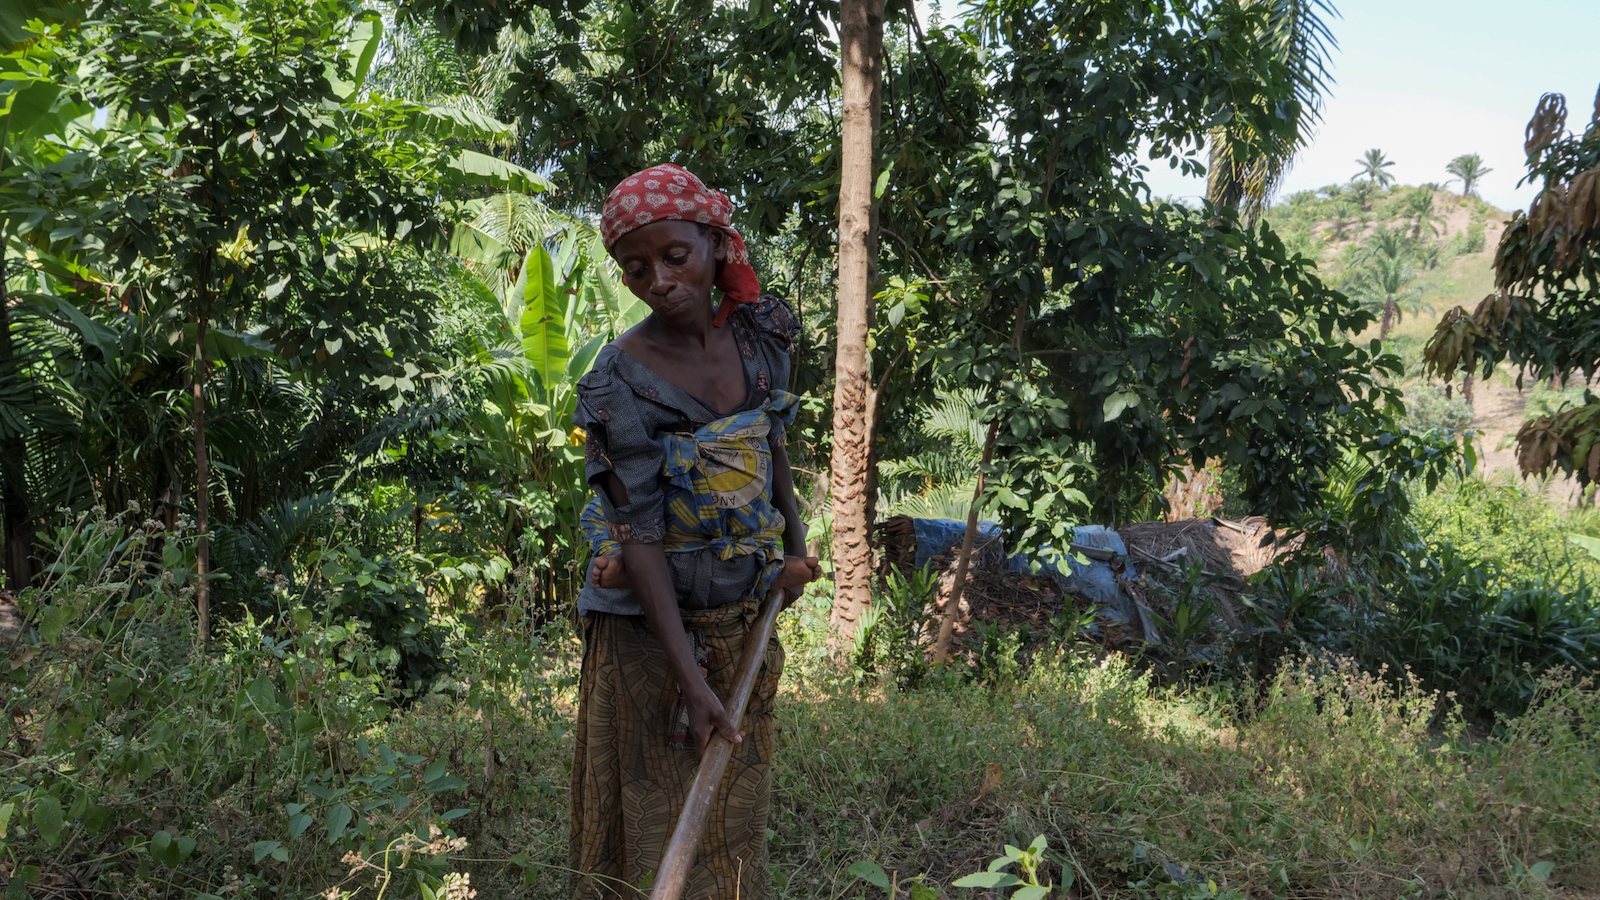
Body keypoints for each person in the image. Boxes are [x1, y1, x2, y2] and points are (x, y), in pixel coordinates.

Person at [568, 163, 820, 900]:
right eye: (634, 267)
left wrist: (794, 549)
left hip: (743, 617)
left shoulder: (761, 337)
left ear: (714, 243)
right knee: (652, 813)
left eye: (674, 256)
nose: (658, 279)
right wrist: (689, 677)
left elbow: (771, 446)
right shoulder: (619, 381)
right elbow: (639, 536)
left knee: (733, 805)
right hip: (652, 637)